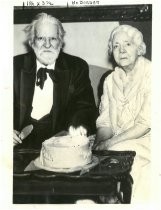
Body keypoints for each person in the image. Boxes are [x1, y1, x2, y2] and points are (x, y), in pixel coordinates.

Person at [13, 13, 97, 149]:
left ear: (61, 42)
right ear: (31, 42)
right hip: (19, 144)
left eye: (53, 38)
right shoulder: (14, 65)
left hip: (60, 142)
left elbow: (84, 107)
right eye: (41, 38)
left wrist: (75, 131)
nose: (47, 45)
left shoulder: (76, 67)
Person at [94, 25, 151, 203]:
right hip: (118, 142)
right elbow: (105, 123)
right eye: (116, 46)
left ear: (139, 48)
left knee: (116, 156)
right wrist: (98, 146)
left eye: (127, 44)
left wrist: (109, 144)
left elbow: (144, 124)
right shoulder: (110, 80)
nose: (122, 50)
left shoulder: (152, 74)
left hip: (148, 141)